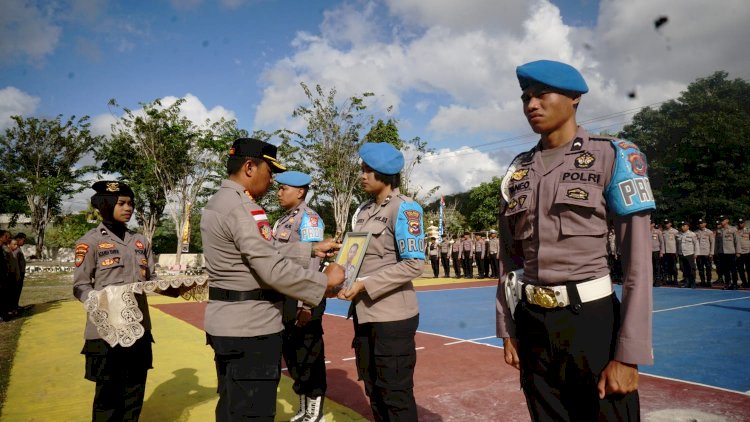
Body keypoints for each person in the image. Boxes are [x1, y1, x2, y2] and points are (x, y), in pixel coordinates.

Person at [496, 60, 654, 421]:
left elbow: (638, 265)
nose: (531, 105)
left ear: (575, 98)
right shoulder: (517, 170)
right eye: (525, 98)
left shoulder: (613, 155)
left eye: (541, 95)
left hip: (592, 324)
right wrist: (508, 329)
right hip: (532, 321)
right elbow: (509, 261)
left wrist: (629, 354)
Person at [200, 138, 344, 422]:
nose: (272, 183)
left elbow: (262, 251)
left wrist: (310, 249)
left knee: (232, 406)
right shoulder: (243, 208)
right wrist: (323, 284)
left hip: (229, 323)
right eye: (270, 173)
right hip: (251, 328)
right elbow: (271, 267)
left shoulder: (220, 201)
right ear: (250, 167)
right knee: (252, 412)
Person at [338, 142, 425, 422]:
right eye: (362, 169)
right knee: (373, 388)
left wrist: (364, 284)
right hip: (364, 314)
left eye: (368, 170)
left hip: (392, 316)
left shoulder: (405, 209)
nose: (362, 175)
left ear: (385, 175)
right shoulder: (363, 211)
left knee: (395, 393)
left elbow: (414, 263)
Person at [73, 181, 159, 421]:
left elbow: (153, 278)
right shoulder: (89, 241)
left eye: (131, 203)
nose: (128, 208)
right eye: (121, 203)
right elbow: (79, 286)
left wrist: (174, 287)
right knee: (107, 398)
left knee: (134, 392)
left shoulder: (141, 241)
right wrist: (100, 301)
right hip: (106, 331)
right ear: (106, 205)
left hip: (139, 328)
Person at [272, 170, 329, 422]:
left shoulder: (310, 220)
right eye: (278, 188)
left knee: (309, 354)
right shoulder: (283, 221)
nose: (279, 193)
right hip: (287, 298)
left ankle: (314, 410)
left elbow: (313, 264)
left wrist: (307, 305)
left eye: (284, 188)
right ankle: (304, 406)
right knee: (294, 355)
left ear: (300, 191)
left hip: (305, 299)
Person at [715, 215, 741, 290]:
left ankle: (735, 284)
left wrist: (738, 251)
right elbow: (717, 242)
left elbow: (737, 241)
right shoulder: (719, 230)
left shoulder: (733, 229)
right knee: (725, 269)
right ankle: (728, 283)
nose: (721, 221)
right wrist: (716, 251)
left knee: (733, 269)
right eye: (720, 220)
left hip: (731, 252)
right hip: (722, 252)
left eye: (723, 220)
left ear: (727, 221)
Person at [676, 221, 698, 288]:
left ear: (688, 227)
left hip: (689, 253)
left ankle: (693, 282)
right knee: (684, 269)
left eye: (684, 225)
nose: (682, 227)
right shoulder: (678, 234)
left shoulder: (692, 234)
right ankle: (687, 282)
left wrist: (696, 253)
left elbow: (696, 244)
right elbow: (677, 245)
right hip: (681, 254)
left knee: (691, 269)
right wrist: (677, 253)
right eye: (682, 225)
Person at [694, 219, 714, 287]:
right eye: (699, 223)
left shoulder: (709, 232)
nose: (701, 224)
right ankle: (702, 281)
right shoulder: (695, 232)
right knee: (700, 269)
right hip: (699, 253)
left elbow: (712, 243)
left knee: (708, 268)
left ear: (705, 224)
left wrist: (711, 252)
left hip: (707, 253)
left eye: (702, 223)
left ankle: (708, 281)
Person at [10, 233, 27, 312]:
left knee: (18, 290)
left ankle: (15, 305)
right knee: (15, 290)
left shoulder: (18, 249)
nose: (24, 242)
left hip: (21, 272)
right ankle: (13, 307)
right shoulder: (15, 250)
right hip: (18, 273)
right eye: (23, 240)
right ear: (18, 239)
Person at [661, 219, 678, 285]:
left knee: (673, 266)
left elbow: (677, 242)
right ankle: (669, 279)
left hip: (672, 251)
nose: (666, 225)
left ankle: (675, 279)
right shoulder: (663, 232)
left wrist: (676, 251)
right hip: (665, 252)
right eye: (665, 223)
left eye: (667, 223)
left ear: (670, 223)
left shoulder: (675, 231)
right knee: (666, 266)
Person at [0, 230, 12, 321]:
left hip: (4, 276)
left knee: (4, 296)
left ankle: (4, 314)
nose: (8, 238)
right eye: (6, 237)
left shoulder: (2, 248)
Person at [736, 218, 750, 287]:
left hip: (748, 252)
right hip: (739, 253)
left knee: (749, 269)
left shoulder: (748, 230)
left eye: (741, 223)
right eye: (739, 223)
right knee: (740, 269)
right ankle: (744, 282)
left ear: (744, 223)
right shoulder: (735, 231)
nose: (740, 224)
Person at [650, 221, 665, 286]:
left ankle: (658, 280)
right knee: (650, 267)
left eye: (649, 223)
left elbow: (662, 242)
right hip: (648, 252)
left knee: (657, 266)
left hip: (656, 251)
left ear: (653, 224)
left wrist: (662, 252)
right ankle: (651, 280)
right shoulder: (644, 232)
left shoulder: (658, 231)